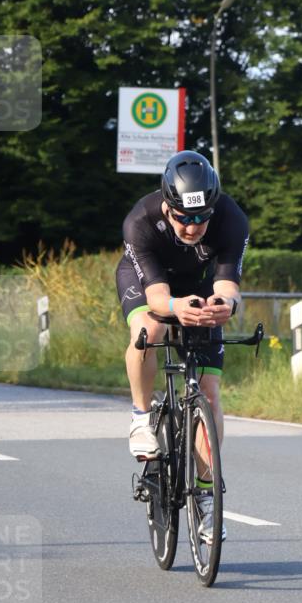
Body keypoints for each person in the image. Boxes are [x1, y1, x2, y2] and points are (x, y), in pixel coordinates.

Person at [116, 150, 249, 544]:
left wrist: (225, 307)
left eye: (201, 218)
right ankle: (142, 417)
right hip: (149, 284)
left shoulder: (232, 219)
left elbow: (228, 286)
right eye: (183, 218)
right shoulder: (140, 221)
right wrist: (175, 308)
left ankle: (207, 498)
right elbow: (157, 297)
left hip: (200, 284)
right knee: (149, 331)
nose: (192, 227)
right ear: (166, 205)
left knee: (208, 392)